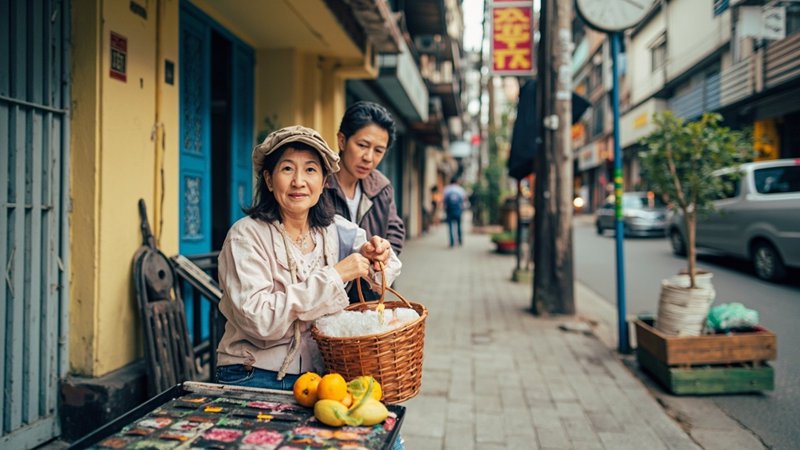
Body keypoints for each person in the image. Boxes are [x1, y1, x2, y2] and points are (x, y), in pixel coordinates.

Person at [215, 125, 401, 391]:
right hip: (253, 373)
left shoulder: (336, 230)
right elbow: (259, 320)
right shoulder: (245, 236)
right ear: (269, 180)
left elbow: (384, 273)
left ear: (324, 181)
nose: (299, 182)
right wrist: (336, 275)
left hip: (321, 376)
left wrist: (377, 255)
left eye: (311, 170)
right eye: (287, 168)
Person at [326, 101, 405, 301]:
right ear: (342, 141)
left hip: (368, 299)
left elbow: (395, 230)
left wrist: (383, 254)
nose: (369, 157)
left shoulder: (382, 187)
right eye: (362, 145)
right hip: (328, 298)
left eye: (378, 150)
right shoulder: (319, 185)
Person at [443, 177, 467, 247]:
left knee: (450, 226)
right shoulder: (460, 189)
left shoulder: (447, 189)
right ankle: (459, 240)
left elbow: (444, 201)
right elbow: (464, 199)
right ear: (456, 182)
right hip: (458, 210)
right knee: (459, 226)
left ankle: (451, 242)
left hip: (449, 210)